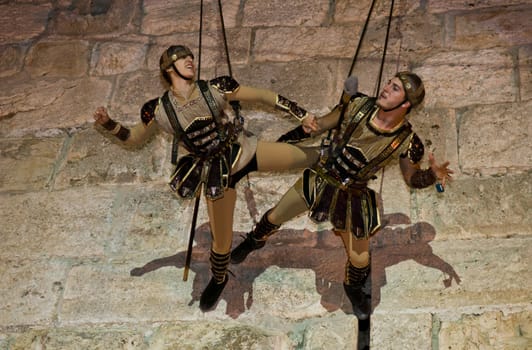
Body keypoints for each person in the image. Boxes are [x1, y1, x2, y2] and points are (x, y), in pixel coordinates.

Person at [93, 45, 320, 312]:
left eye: (191, 57)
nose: (190, 60)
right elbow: (133, 138)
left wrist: (302, 114)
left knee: (314, 157)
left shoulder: (214, 88)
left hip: (243, 151)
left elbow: (262, 96)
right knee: (221, 241)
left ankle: (260, 234)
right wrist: (109, 124)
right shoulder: (159, 110)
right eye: (182, 59)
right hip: (215, 174)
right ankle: (220, 277)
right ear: (169, 69)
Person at [230, 71, 453, 320]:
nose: (386, 88)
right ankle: (254, 241)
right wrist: (296, 135)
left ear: (406, 104)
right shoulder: (357, 105)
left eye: (396, 88)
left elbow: (413, 179)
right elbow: (322, 124)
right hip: (323, 175)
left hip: (353, 192)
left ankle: (353, 287)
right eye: (389, 82)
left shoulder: (407, 141)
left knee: (360, 256)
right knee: (276, 215)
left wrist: (432, 175)